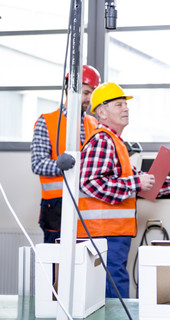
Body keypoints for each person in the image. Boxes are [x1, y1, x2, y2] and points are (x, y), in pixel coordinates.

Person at [78, 82, 170, 298]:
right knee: (112, 293)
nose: (126, 108)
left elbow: (142, 180)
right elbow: (90, 183)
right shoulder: (102, 141)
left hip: (112, 233)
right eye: (119, 105)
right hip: (102, 233)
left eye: (125, 104)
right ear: (102, 112)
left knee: (114, 288)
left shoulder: (115, 143)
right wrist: (135, 184)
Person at [31, 65, 101, 243]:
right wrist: (60, 164)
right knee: (56, 263)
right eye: (86, 93)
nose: (89, 99)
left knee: (84, 262)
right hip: (57, 206)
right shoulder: (46, 122)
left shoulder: (94, 123)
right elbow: (37, 164)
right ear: (70, 89)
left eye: (92, 93)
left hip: (87, 203)